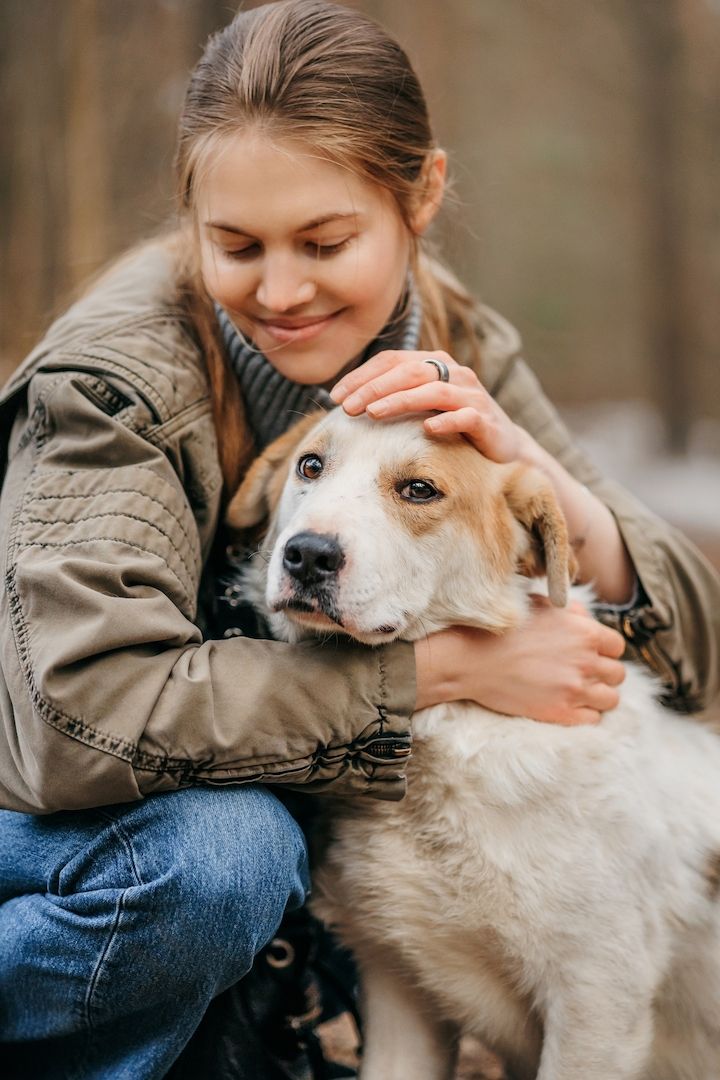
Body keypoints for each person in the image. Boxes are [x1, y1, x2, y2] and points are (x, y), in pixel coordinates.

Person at [0, 1, 718, 1077]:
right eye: (236, 244)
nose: (281, 292)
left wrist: (539, 468)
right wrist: (440, 670)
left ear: (422, 196)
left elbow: (685, 647)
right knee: (229, 855)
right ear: (191, 213)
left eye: (326, 243)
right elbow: (76, 726)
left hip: (216, 804)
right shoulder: (112, 387)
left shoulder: (453, 337)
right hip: (51, 818)